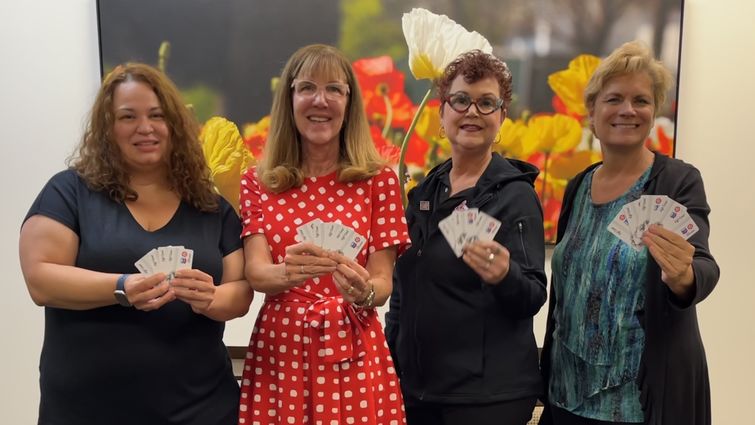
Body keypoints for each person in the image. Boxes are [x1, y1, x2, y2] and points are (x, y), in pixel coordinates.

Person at [19, 63, 254, 425]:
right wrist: (120, 287)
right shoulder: (69, 192)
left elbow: (239, 292)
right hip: (86, 411)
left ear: (174, 125)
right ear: (107, 128)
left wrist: (211, 298)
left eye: (157, 115)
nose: (145, 127)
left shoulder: (212, 207)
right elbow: (41, 280)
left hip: (203, 410)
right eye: (128, 116)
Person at [539, 41, 720, 425]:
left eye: (641, 100)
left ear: (653, 113)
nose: (627, 110)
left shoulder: (677, 181)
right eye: (614, 99)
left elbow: (703, 267)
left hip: (638, 404)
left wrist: (684, 277)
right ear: (592, 112)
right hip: (566, 396)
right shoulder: (577, 186)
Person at [237, 44, 410, 425]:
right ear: (290, 99)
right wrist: (288, 273)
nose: (321, 100)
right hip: (281, 351)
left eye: (334, 88)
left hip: (354, 342)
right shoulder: (257, 180)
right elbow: (256, 272)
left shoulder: (379, 180)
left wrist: (363, 292)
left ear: (350, 102)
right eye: (307, 88)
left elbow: (383, 281)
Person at [385, 50, 547, 425]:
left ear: (501, 117)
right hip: (418, 392)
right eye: (461, 100)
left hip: (486, 401)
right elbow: (403, 290)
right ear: (442, 114)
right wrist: (391, 360)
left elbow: (533, 295)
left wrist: (506, 276)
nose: (472, 112)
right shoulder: (423, 192)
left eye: (487, 103)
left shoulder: (516, 195)